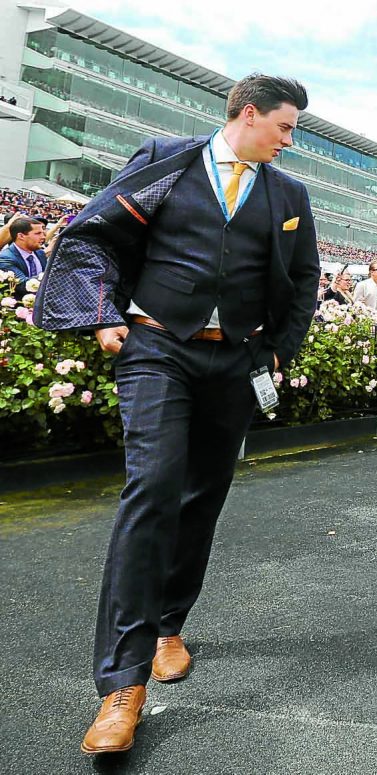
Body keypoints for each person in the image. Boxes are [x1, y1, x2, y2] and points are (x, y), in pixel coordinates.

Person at [33, 73, 320, 754]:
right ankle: (121, 685)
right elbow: (93, 232)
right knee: (154, 488)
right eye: (283, 128)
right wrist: (101, 313)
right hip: (157, 346)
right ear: (248, 116)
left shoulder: (290, 195)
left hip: (237, 362)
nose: (288, 142)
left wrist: (280, 350)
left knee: (202, 497)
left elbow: (304, 276)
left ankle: (169, 625)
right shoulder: (166, 157)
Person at [0, 217, 48, 296]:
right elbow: (23, 285)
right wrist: (52, 274)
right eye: (38, 233)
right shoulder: (5, 258)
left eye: (43, 232)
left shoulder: (40, 254)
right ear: (21, 236)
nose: (43, 237)